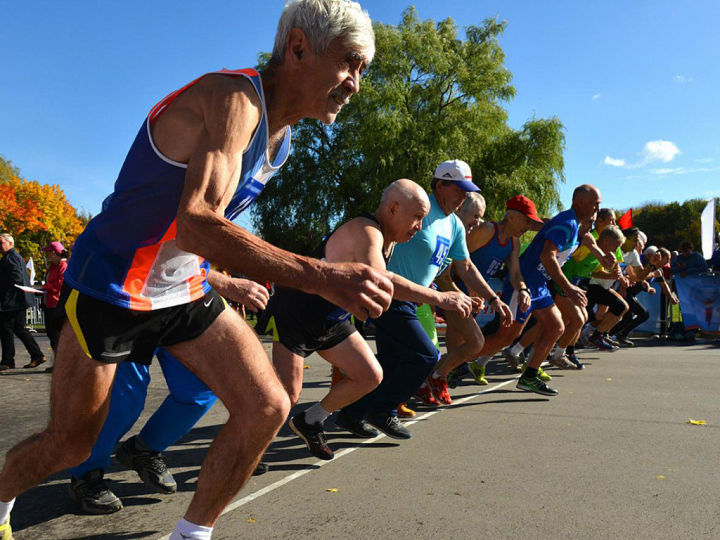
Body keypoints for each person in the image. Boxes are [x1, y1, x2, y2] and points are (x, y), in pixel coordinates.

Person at [0, 3, 392, 540]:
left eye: (362, 70)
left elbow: (201, 238)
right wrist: (323, 275)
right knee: (74, 444)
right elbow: (198, 225)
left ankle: (192, 534)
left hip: (181, 289)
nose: (354, 84)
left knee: (268, 405)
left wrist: (224, 280)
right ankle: (0, 502)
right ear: (298, 48)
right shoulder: (231, 100)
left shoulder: (283, 137)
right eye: (350, 63)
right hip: (112, 286)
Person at [264, 179, 473, 459]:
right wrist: (440, 298)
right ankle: (244, 450)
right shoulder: (367, 232)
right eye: (416, 217)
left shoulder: (390, 241)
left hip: (331, 319)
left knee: (370, 376)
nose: (419, 227)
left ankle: (310, 420)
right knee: (284, 397)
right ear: (393, 208)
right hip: (297, 315)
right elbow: (381, 279)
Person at [68, 272, 270, 514]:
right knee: (124, 403)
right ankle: (86, 473)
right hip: (129, 302)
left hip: (177, 305)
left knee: (201, 389)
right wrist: (227, 283)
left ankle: (143, 449)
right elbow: (167, 255)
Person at [337, 160, 512, 439]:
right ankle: (383, 410)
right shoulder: (419, 207)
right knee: (425, 356)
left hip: (414, 299)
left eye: (467, 192)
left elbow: (465, 267)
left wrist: (493, 298)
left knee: (392, 364)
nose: (463, 197)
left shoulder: (454, 224)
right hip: (389, 293)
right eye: (458, 190)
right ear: (440, 184)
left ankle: (351, 413)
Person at [502, 185, 603, 396]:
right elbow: (547, 256)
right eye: (596, 203)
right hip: (526, 281)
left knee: (556, 326)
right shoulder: (567, 223)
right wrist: (569, 287)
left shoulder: (572, 223)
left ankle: (529, 375)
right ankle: (457, 365)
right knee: (505, 335)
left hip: (539, 283)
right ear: (580, 202)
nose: (598, 208)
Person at [438, 195, 544, 386]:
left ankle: (443, 375)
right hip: (456, 287)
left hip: (477, 291)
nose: (528, 226)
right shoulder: (486, 230)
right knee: (465, 337)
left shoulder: (514, 243)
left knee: (465, 340)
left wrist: (523, 290)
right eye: (526, 220)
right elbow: (456, 259)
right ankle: (441, 375)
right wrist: (464, 289)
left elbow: (515, 274)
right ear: (511, 216)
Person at [0, 233, 45, 372]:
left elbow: (17, 279)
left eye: (1, 243)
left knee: (7, 330)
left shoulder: (10, 257)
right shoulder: (13, 256)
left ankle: (8, 361)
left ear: (10, 243)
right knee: (18, 329)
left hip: (12, 302)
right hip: (16, 300)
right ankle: (34, 355)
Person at [39, 241, 68, 373]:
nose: (47, 255)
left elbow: (60, 285)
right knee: (52, 335)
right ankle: (58, 363)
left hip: (57, 305)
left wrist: (45, 288)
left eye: (49, 253)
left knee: (57, 336)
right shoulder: (52, 267)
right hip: (49, 303)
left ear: (56, 253)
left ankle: (61, 364)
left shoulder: (63, 266)